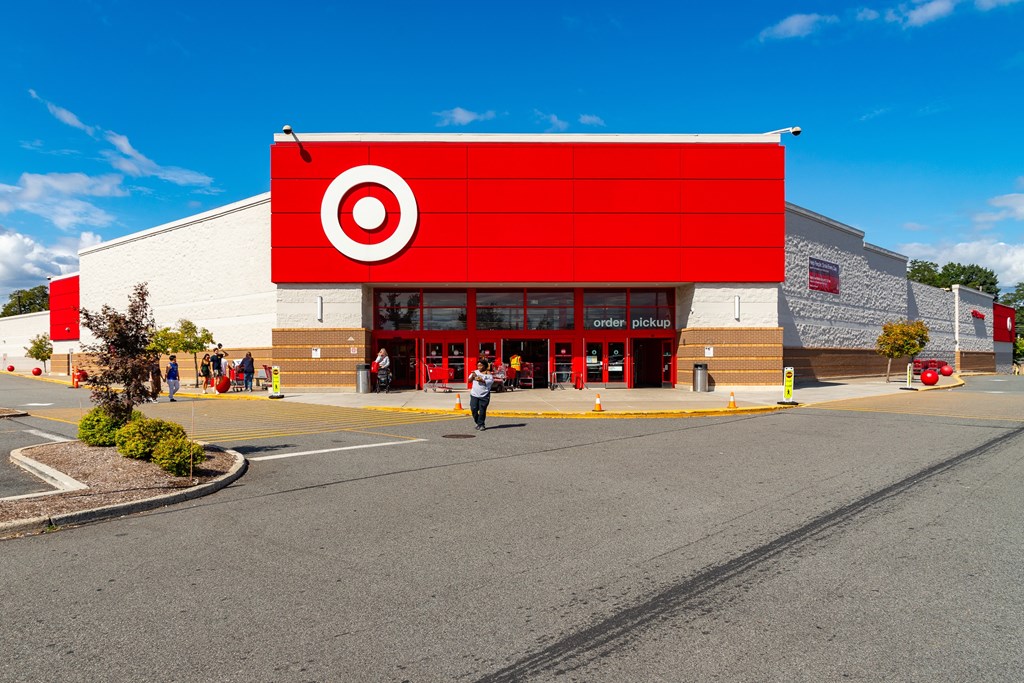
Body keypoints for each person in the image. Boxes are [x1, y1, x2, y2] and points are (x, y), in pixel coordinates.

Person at [469, 360, 494, 431]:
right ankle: (478, 422)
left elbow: (489, 382)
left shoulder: (489, 374)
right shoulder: (475, 372)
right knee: (473, 409)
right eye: (478, 365)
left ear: (485, 366)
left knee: (482, 410)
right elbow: (469, 380)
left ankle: (481, 424)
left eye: (481, 365)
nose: (479, 367)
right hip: (474, 394)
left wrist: (481, 380)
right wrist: (472, 377)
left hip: (484, 395)